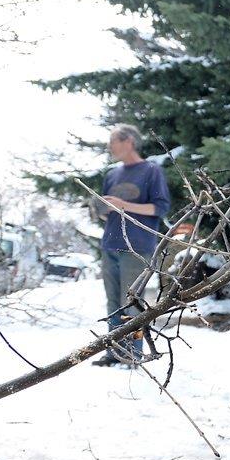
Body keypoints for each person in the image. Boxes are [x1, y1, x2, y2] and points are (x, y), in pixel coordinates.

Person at [94, 124, 171, 366]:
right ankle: (113, 352)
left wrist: (123, 205)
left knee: (131, 305)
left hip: (137, 247)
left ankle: (132, 354)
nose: (110, 146)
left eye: (113, 141)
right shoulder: (111, 175)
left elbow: (160, 208)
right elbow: (109, 213)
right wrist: (101, 209)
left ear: (129, 142)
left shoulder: (151, 171)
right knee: (112, 303)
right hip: (110, 245)